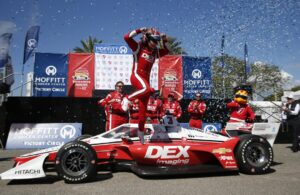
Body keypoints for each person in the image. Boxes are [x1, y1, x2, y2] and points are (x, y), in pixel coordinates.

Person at [122, 27, 169, 144]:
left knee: (143, 114)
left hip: (145, 82)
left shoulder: (155, 52)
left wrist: (164, 41)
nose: (155, 44)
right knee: (147, 89)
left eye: (157, 42)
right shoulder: (138, 47)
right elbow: (126, 37)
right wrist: (139, 30)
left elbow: (167, 51)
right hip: (136, 77)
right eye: (154, 40)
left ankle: (141, 135)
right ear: (147, 39)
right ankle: (127, 98)